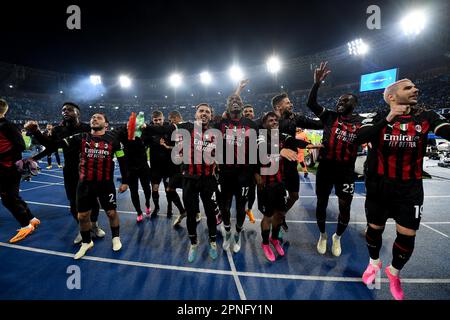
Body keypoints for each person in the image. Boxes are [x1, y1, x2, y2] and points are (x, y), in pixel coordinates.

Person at [356, 79, 450, 300]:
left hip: (410, 189)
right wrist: (389, 117)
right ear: (391, 96)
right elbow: (359, 137)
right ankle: (374, 263)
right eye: (408, 87)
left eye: (415, 86)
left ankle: (394, 272)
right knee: (374, 230)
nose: (416, 89)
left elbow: (445, 129)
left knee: (407, 236)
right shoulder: (378, 116)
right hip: (380, 187)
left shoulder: (426, 116)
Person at [30, 113, 129, 259]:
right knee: (82, 216)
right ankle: (86, 242)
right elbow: (53, 145)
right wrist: (36, 131)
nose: (94, 119)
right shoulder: (81, 137)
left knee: (111, 213)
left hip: (105, 183)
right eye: (92, 118)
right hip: (84, 183)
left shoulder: (113, 140)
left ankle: (115, 238)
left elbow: (122, 160)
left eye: (99, 118)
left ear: (106, 124)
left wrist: (126, 181)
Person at [24, 102, 105, 244]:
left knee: (93, 199)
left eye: (69, 110)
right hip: (70, 170)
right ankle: (82, 229)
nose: (65, 112)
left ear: (77, 113)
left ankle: (94, 225)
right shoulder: (57, 130)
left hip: (89, 169)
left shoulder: (87, 128)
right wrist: (34, 156)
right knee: (74, 201)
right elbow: (51, 147)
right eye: (63, 110)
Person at [306, 61, 364, 256]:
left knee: (344, 206)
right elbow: (311, 104)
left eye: (345, 100)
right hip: (326, 168)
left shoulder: (361, 123)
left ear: (354, 104)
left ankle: (337, 238)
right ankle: (322, 235)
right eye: (339, 100)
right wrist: (317, 83)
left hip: (346, 171)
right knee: (321, 203)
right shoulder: (329, 116)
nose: (340, 102)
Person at [256, 112, 320, 261]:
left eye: (275, 120)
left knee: (281, 213)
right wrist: (280, 150)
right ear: (264, 123)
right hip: (266, 184)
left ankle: (274, 239)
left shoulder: (282, 136)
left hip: (279, 183)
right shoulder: (261, 136)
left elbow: (294, 142)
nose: (274, 122)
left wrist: (311, 145)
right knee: (268, 216)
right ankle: (265, 243)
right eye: (270, 120)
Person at [215, 80, 259, 253]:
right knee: (225, 207)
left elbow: (257, 150)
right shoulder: (220, 123)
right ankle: (227, 232)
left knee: (241, 207)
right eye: (232, 102)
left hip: (245, 175)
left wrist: (256, 172)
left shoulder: (252, 125)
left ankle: (238, 233)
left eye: (239, 102)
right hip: (225, 174)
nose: (236, 104)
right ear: (227, 107)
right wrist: (238, 90)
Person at [173, 103, 220, 262]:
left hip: (208, 180)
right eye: (201, 111)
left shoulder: (216, 133)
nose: (204, 113)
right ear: (195, 114)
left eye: (208, 111)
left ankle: (213, 241)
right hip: (189, 180)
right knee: (191, 214)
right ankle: (193, 242)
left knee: (211, 213)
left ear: (211, 116)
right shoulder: (185, 129)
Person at [0, 99, 40, 243]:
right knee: (13, 197)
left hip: (8, 168)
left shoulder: (7, 126)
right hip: (4, 167)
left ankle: (26, 226)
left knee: (8, 199)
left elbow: (20, 146)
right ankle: (31, 219)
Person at [242, 104, 256, 224]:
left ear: (253, 114)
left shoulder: (258, 126)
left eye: (250, 111)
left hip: (253, 167)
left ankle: (249, 209)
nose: (247, 113)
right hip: (239, 167)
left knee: (252, 191)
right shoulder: (237, 126)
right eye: (245, 111)